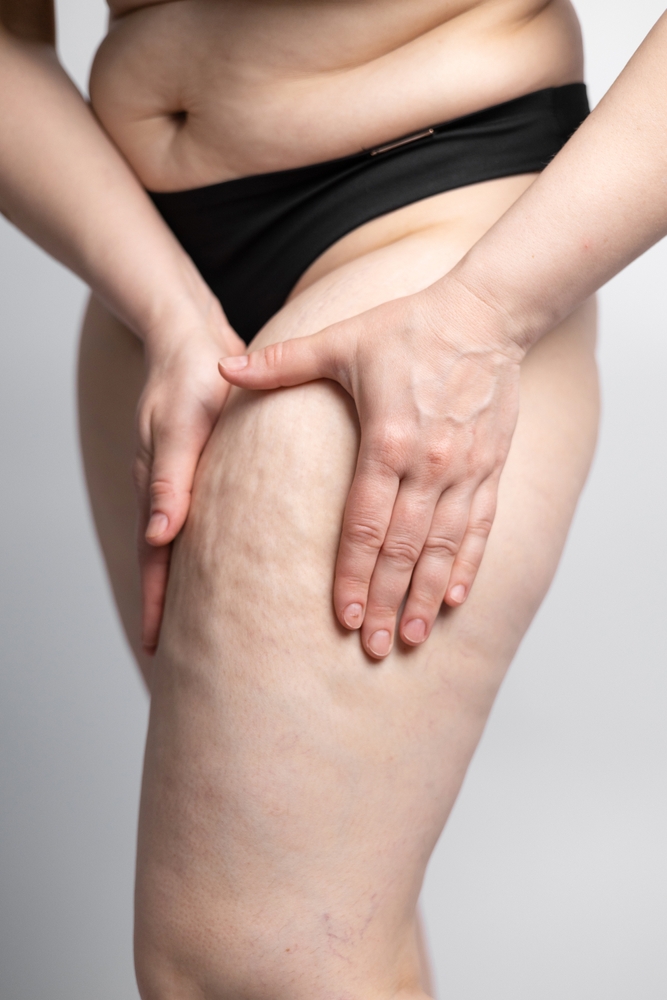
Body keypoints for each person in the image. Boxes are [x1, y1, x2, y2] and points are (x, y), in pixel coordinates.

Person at [0, 0, 663, 996]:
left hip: (419, 236)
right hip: (151, 280)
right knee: (322, 936)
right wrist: (165, 303)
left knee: (246, 959)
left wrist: (486, 312)